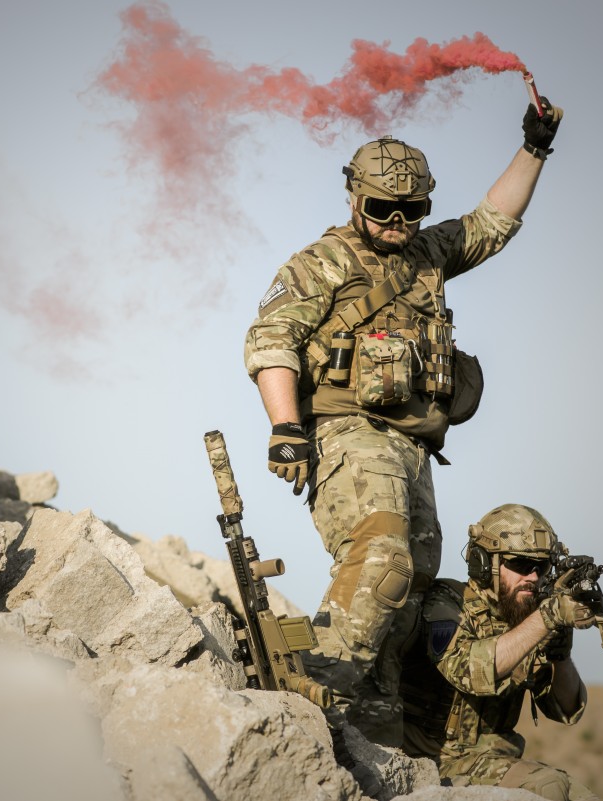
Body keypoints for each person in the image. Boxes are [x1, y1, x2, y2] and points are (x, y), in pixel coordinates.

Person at [242, 98, 564, 739]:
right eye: (381, 208)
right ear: (353, 199)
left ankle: (372, 722)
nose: (396, 221)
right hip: (347, 436)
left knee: (410, 595)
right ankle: (313, 688)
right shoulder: (321, 263)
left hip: (414, 450)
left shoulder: (427, 254)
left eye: (411, 210)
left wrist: (535, 146)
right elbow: (271, 341)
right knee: (381, 558)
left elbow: (492, 222)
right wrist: (284, 428)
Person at [398, 503, 601, 800]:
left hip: (497, 760)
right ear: (483, 563)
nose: (532, 577)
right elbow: (469, 670)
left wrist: (560, 654)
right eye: (520, 564)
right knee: (549, 787)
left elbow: (565, 710)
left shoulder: (527, 618)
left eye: (541, 567)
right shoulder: (447, 604)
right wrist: (548, 618)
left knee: (580, 795)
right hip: (437, 760)